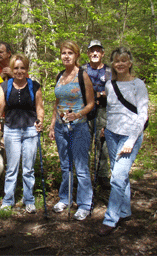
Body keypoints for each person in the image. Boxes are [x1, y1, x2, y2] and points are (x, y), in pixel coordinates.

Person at [0, 54, 44, 214]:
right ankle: (8, 201)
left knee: (28, 169)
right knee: (12, 168)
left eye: (22, 68)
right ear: (12, 69)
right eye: (16, 68)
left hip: (30, 129)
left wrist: (40, 120)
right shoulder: (5, 86)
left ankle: (29, 200)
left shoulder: (34, 86)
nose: (19, 71)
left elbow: (39, 107)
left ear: (27, 69)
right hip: (11, 131)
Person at [98, 47, 148, 236]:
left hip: (130, 136)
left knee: (117, 177)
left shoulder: (138, 85)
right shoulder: (110, 85)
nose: (120, 64)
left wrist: (131, 140)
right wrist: (106, 127)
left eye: (124, 60)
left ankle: (110, 219)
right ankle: (125, 211)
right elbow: (112, 110)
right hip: (111, 133)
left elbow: (142, 115)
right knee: (119, 175)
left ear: (130, 63)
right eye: (116, 61)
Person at [49, 40, 95, 220]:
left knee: (82, 167)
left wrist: (78, 114)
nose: (66, 56)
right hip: (61, 128)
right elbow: (57, 102)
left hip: (79, 127)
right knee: (66, 165)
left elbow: (91, 103)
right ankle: (65, 198)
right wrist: (52, 125)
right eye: (63, 53)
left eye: (70, 53)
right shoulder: (60, 76)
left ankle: (85, 204)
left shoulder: (82, 75)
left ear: (76, 55)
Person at [81, 40, 111, 189]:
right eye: (92, 51)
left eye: (98, 51)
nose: (95, 53)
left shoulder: (110, 72)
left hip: (103, 112)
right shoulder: (82, 70)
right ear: (88, 53)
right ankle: (84, 176)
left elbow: (114, 93)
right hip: (85, 112)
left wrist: (100, 95)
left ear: (102, 53)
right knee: (85, 144)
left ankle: (102, 176)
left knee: (102, 143)